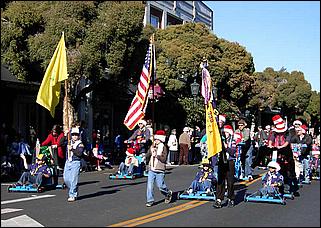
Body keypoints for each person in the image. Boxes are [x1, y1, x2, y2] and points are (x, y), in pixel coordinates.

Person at [145, 130, 173, 207]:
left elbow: (164, 159)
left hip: (160, 170)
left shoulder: (163, 147)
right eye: (155, 139)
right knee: (149, 186)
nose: (155, 141)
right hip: (152, 169)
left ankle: (167, 193)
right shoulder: (152, 147)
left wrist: (156, 155)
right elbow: (147, 156)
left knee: (161, 186)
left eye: (157, 139)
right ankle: (150, 200)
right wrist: (150, 152)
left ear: (160, 140)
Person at [213, 124, 237, 209]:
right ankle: (219, 199)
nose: (224, 134)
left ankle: (231, 198)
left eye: (226, 132)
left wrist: (226, 147)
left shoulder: (232, 140)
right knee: (220, 181)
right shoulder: (219, 141)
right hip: (221, 162)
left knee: (230, 181)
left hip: (230, 161)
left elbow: (233, 151)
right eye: (223, 132)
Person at [63, 127, 85, 202]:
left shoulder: (80, 144)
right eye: (73, 135)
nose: (74, 136)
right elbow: (60, 143)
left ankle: (72, 194)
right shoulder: (69, 141)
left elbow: (79, 153)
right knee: (66, 179)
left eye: (76, 135)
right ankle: (74, 188)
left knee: (73, 180)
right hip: (68, 162)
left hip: (75, 162)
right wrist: (65, 135)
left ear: (78, 135)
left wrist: (72, 149)